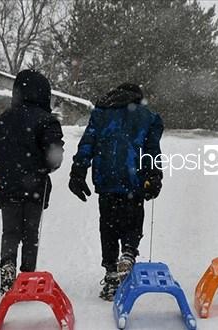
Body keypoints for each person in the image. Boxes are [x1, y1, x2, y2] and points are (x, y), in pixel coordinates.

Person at [68, 83, 163, 301]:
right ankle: (128, 253)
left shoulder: (101, 113)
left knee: (108, 224)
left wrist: (78, 172)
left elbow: (87, 144)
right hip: (134, 178)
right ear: (137, 98)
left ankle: (111, 274)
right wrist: (154, 176)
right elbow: (151, 150)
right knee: (133, 219)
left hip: (106, 178)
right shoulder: (147, 117)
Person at [0, 69, 64, 295]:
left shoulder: (1, 121)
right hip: (35, 185)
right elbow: (55, 155)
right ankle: (26, 276)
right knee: (30, 233)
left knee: (10, 231)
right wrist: (45, 168)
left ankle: (7, 266)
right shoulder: (47, 121)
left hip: (7, 185)